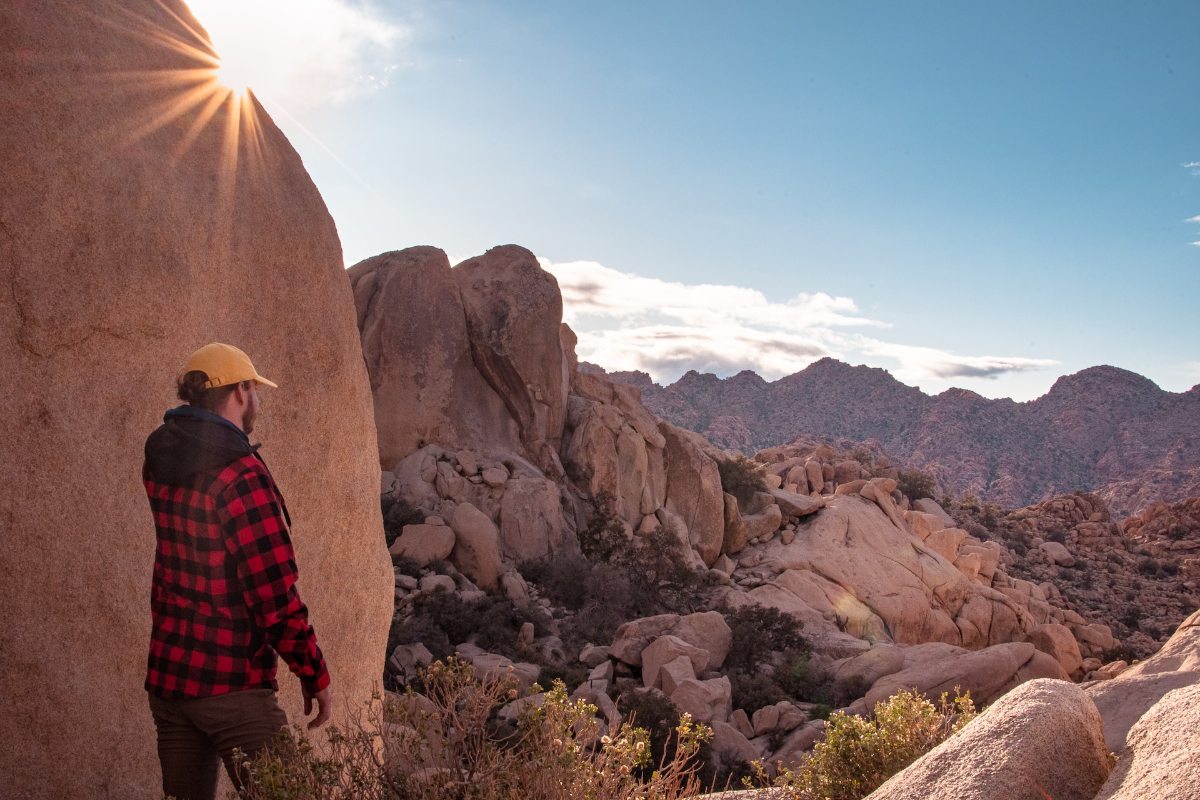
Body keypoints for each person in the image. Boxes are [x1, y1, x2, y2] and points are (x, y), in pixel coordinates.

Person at [142, 342, 331, 800]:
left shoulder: (160, 460)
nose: (258, 401)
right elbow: (273, 593)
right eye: (255, 389)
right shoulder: (241, 473)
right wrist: (314, 673)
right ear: (242, 391)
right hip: (231, 685)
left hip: (170, 680)